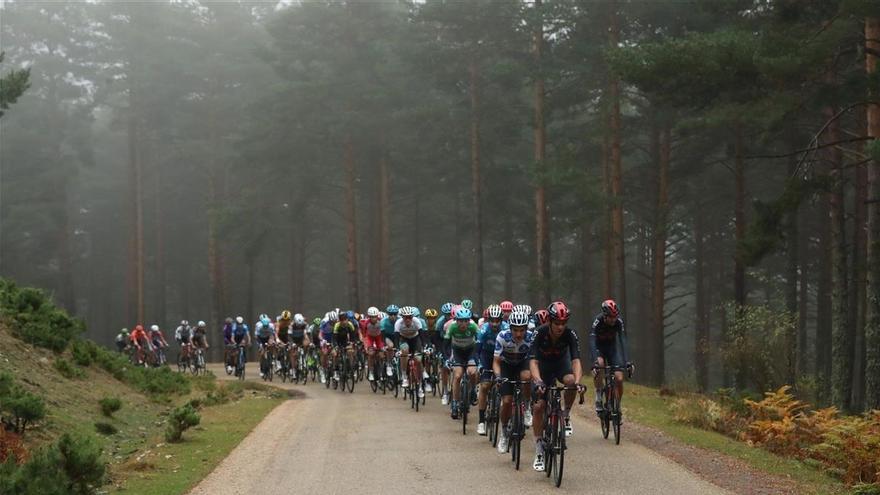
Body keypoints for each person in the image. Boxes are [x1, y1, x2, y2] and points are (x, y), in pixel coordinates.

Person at [529, 301, 583, 471]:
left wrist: (578, 381)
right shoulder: (539, 333)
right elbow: (533, 361)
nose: (560, 327)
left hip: (560, 364)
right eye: (557, 323)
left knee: (570, 382)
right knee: (539, 406)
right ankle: (538, 449)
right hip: (541, 368)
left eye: (563, 323)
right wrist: (537, 380)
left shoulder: (570, 334)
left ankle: (565, 415)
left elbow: (576, 361)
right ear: (550, 322)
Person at [493, 310, 534, 453]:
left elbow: (535, 360)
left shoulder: (531, 338)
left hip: (522, 364)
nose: (518, 334)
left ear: (526, 329)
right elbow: (496, 362)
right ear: (510, 328)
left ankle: (527, 407)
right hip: (506, 366)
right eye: (515, 330)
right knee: (506, 401)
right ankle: (504, 433)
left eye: (522, 330)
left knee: (526, 376)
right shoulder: (502, 336)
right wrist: (498, 376)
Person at [590, 299, 633, 412]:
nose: (613, 319)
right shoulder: (598, 321)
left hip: (612, 349)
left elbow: (622, 340)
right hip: (599, 348)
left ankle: (617, 404)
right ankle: (599, 395)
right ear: (605, 315)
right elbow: (592, 340)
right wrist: (594, 360)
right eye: (611, 317)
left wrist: (627, 361)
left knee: (619, 378)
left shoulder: (619, 322)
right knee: (600, 364)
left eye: (615, 316)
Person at [476, 304, 508, 435]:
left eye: (497, 321)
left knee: (501, 385)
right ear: (488, 320)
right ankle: (481, 422)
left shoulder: (506, 328)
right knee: (484, 386)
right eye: (492, 321)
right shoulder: (483, 330)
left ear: (501, 320)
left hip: (502, 357)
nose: (494, 324)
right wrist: (478, 364)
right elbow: (477, 349)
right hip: (486, 356)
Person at [445, 307, 479, 420]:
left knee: (472, 372)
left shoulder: (473, 327)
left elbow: (480, 342)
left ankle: (473, 389)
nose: (463, 324)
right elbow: (446, 344)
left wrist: (477, 358)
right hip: (458, 352)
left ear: (469, 321)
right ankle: (454, 403)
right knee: (458, 375)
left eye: (466, 321)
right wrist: (447, 358)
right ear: (456, 320)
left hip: (470, 351)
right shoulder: (452, 327)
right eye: (460, 321)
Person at [395, 306, 426, 396]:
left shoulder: (417, 321)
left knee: (418, 359)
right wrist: (397, 350)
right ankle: (404, 376)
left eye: (410, 317)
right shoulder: (398, 323)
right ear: (402, 317)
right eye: (405, 317)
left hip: (415, 339)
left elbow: (422, 336)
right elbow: (396, 338)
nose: (408, 319)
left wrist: (424, 347)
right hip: (403, 339)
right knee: (404, 351)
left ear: (412, 317)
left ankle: (420, 386)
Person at [331, 311, 359, 382]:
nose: (344, 322)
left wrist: (353, 343)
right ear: (340, 320)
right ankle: (336, 371)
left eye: (345, 319)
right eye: (342, 320)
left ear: (347, 319)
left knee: (350, 351)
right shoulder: (337, 325)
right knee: (335, 354)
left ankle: (350, 368)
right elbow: (334, 338)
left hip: (345, 340)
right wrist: (335, 346)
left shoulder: (350, 324)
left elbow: (353, 336)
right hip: (337, 340)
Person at [360, 306, 385, 381]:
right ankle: (371, 372)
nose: (373, 318)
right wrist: (366, 346)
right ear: (369, 316)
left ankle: (381, 370)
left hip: (379, 337)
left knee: (381, 354)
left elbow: (384, 332)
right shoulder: (366, 323)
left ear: (377, 316)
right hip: (370, 337)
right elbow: (364, 335)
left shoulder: (381, 321)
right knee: (371, 354)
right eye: (371, 317)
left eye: (375, 317)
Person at [380, 305, 400, 376]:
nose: (393, 316)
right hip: (387, 336)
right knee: (390, 346)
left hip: (397, 336)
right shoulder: (383, 321)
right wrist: (384, 345)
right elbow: (382, 335)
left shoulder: (400, 320)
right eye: (391, 314)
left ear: (397, 314)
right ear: (388, 314)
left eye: (395, 314)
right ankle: (389, 365)